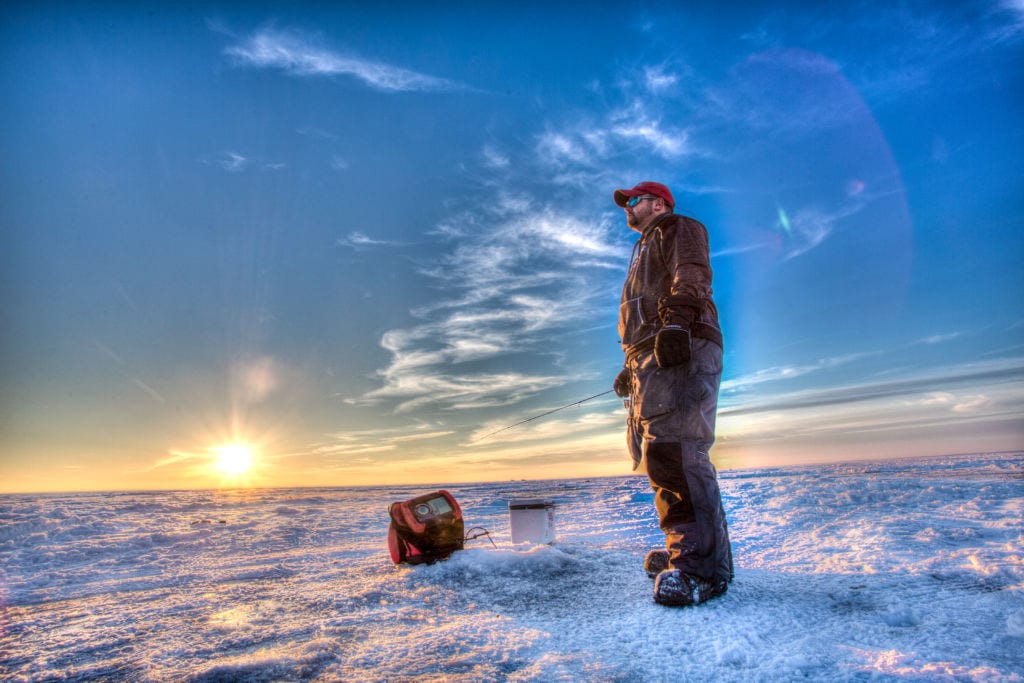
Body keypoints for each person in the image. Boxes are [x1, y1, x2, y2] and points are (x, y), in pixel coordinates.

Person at [611, 181, 733, 606]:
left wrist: (679, 322)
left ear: (659, 203)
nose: (628, 205)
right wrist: (630, 365)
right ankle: (693, 551)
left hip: (681, 346)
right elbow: (642, 312)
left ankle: (700, 570)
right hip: (651, 357)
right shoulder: (642, 248)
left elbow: (693, 273)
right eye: (626, 201)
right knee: (664, 453)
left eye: (634, 199)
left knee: (678, 452)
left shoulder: (678, 227)